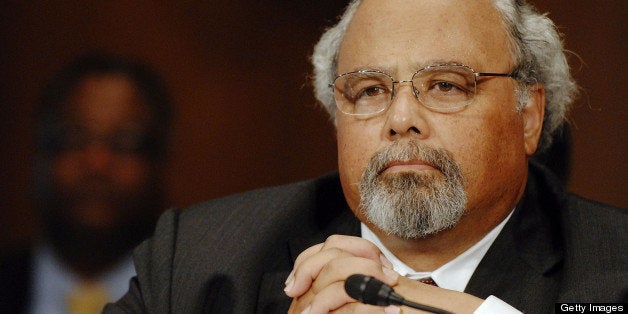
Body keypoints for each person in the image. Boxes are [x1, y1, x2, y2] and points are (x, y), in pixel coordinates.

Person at [105, 0, 626, 313]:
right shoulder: (200, 261)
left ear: (529, 115)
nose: (400, 117)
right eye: (370, 91)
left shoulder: (613, 270)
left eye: (445, 85)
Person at [0, 53, 172, 314]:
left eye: (125, 142)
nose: (97, 163)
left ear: (160, 161)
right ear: (39, 154)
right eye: (75, 137)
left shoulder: (197, 299)